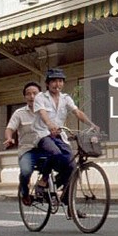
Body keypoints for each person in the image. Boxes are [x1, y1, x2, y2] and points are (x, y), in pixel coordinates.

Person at [32, 68, 95, 196]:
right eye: (54, 81)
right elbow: (43, 113)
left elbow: (77, 112)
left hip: (59, 136)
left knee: (72, 166)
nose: (57, 84)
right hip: (43, 135)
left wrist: (92, 124)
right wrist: (50, 125)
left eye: (60, 81)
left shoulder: (66, 98)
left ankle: (68, 201)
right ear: (48, 83)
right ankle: (43, 179)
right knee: (54, 152)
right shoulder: (40, 97)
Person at [3, 81, 44, 206]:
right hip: (28, 151)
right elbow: (10, 128)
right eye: (28, 94)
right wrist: (9, 138)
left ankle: (45, 185)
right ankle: (24, 192)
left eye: (35, 93)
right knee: (26, 171)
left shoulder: (46, 112)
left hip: (45, 148)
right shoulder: (19, 113)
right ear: (25, 97)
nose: (32, 97)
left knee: (66, 164)